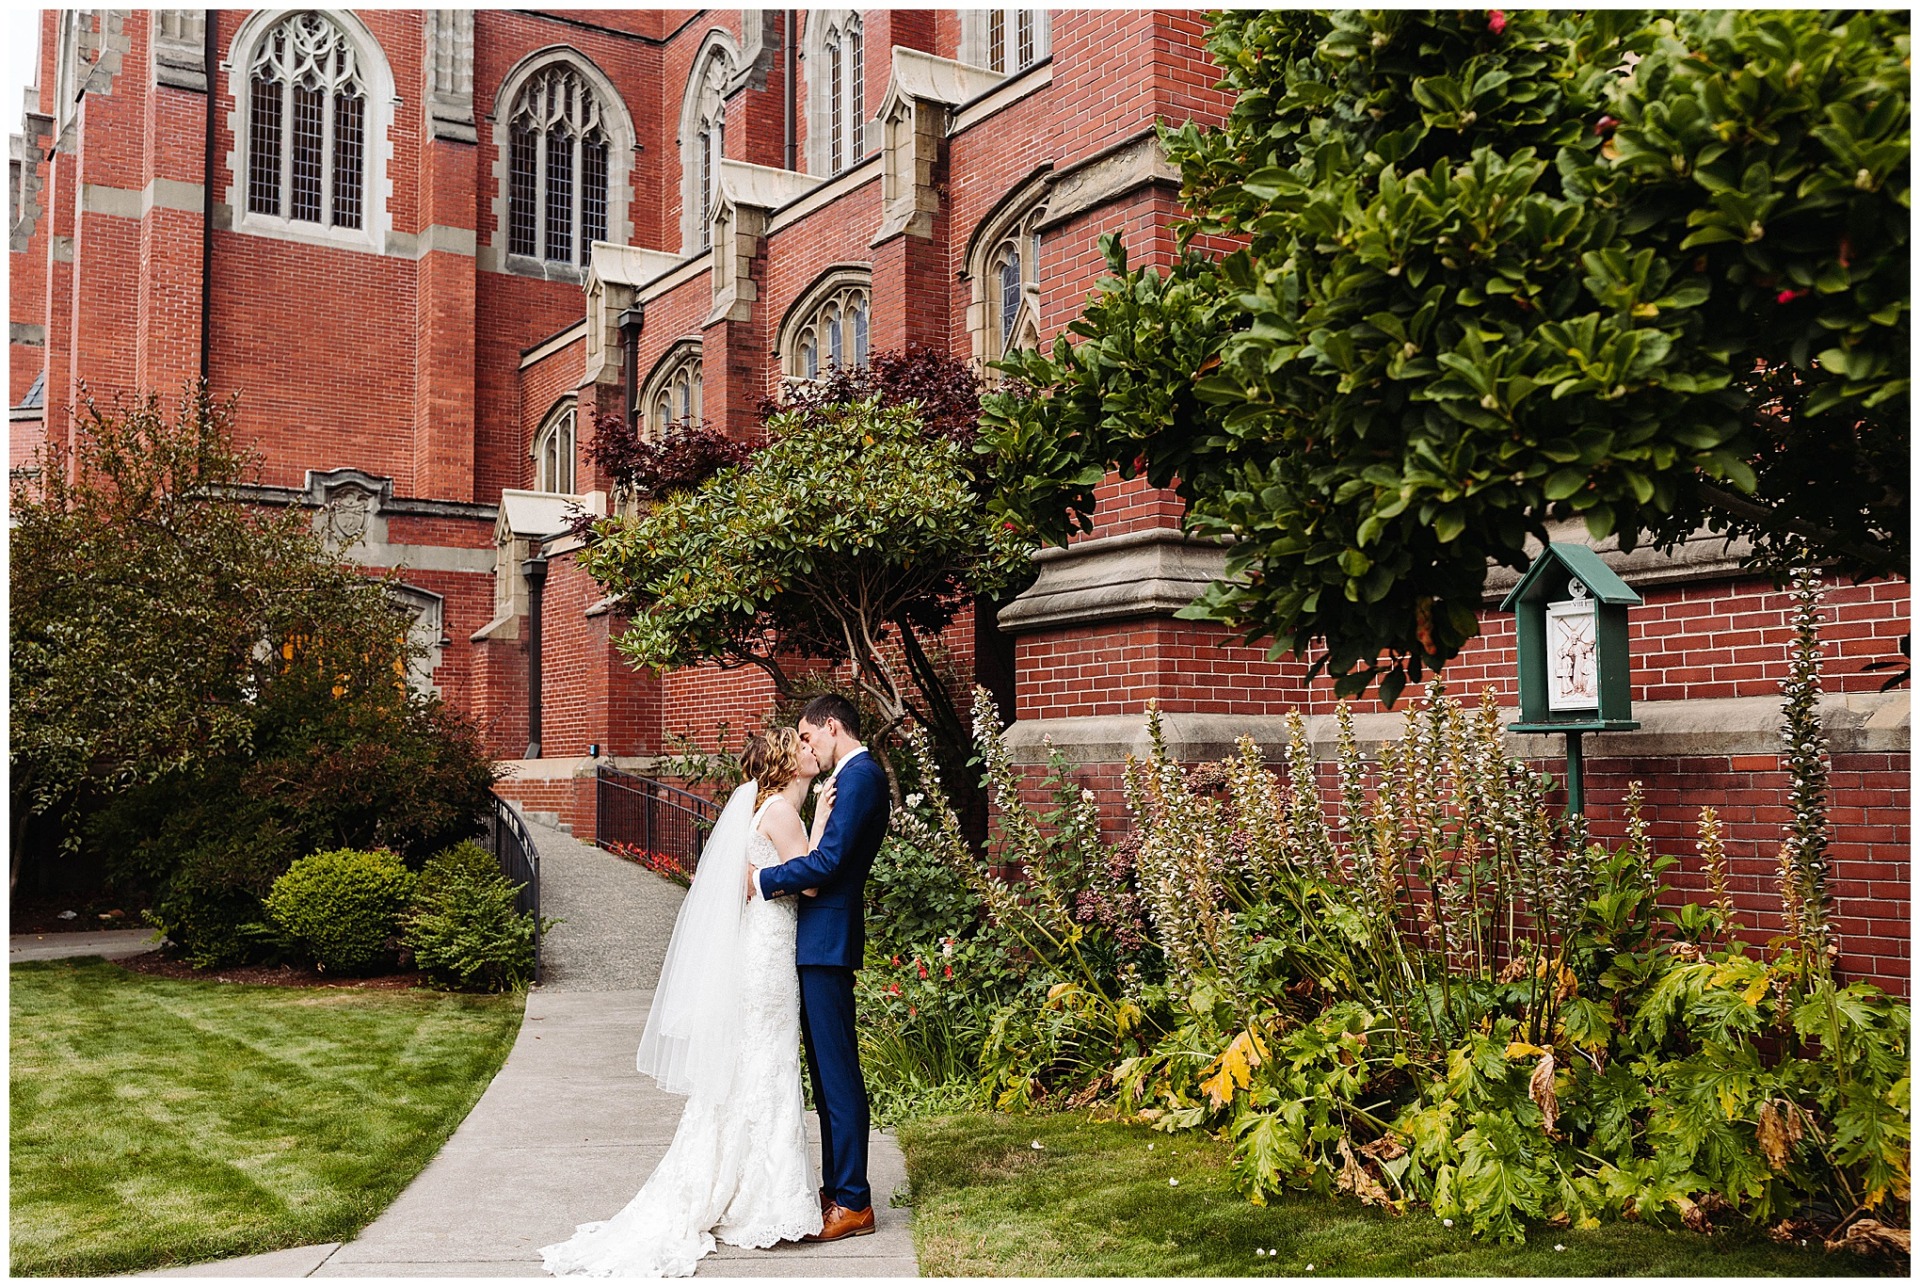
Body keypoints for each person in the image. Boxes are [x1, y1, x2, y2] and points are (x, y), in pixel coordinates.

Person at [540, 727, 829, 1278]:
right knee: (767, 1065)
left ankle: (739, 1188)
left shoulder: (761, 808)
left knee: (753, 1066)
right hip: (768, 956)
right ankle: (763, 1201)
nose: (808, 749)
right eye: (799, 745)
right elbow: (812, 883)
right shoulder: (783, 815)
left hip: (760, 949)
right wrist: (816, 825)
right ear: (785, 764)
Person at [748, 693, 891, 1242]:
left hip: (827, 940)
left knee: (837, 1073)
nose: (805, 747)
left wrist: (760, 881)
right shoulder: (849, 780)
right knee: (827, 1076)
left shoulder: (860, 777)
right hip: (816, 941)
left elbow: (828, 863)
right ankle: (839, 1189)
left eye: (808, 737)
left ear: (832, 728)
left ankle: (854, 1199)